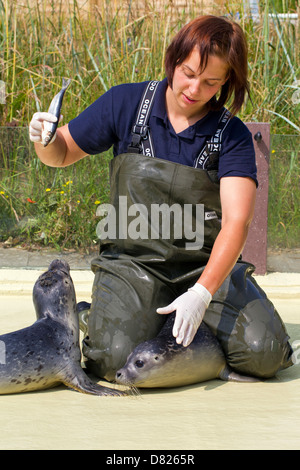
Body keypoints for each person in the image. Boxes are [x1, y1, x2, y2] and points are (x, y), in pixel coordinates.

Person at [29, 15, 292, 382]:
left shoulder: (231, 135)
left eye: (211, 81)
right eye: (187, 72)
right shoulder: (125, 103)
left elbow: (237, 221)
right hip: (134, 265)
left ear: (227, 81)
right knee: (110, 361)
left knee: (266, 355)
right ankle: (97, 313)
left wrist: (202, 293)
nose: (194, 88)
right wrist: (44, 138)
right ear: (174, 58)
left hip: (204, 266)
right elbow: (60, 154)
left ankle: (185, 323)